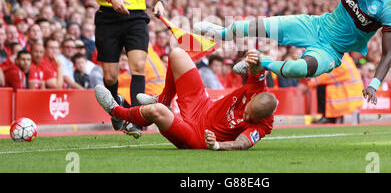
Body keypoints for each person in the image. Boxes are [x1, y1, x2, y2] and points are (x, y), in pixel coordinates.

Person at [195, 0, 391, 106]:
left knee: (299, 69)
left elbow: (388, 53)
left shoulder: (387, 8)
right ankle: (219, 32)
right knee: (258, 25)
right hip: (314, 25)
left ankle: (260, 63)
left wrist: (373, 85)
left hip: (332, 51)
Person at [95, 48, 277, 150]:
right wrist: (254, 57)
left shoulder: (264, 125)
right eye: (247, 112)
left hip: (195, 137)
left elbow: (242, 144)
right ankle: (164, 99)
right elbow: (257, 67)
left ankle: (117, 112)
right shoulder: (258, 88)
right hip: (202, 104)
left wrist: (217, 146)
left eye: (249, 119)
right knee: (177, 54)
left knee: (157, 112)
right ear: (253, 100)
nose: (244, 118)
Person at [84, 0, 165, 138]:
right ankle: (117, 110)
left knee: (138, 67)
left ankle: (137, 118)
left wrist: (159, 1)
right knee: (110, 77)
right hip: (108, 17)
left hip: (137, 17)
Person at [308, 53, 364, 124]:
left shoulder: (341, 62)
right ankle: (327, 117)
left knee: (321, 86)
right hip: (351, 96)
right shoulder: (344, 59)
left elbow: (330, 76)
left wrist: (312, 82)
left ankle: (327, 117)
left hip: (349, 96)